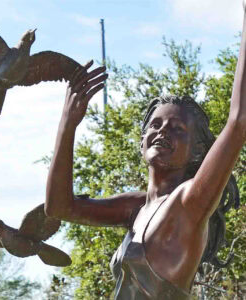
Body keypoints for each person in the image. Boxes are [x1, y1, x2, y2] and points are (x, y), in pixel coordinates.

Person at [45, 4, 246, 299]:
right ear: (142, 141)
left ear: (197, 151)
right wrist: (67, 125)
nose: (163, 131)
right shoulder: (135, 208)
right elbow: (60, 208)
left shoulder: (189, 204)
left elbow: (239, 123)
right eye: (155, 124)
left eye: (178, 128)